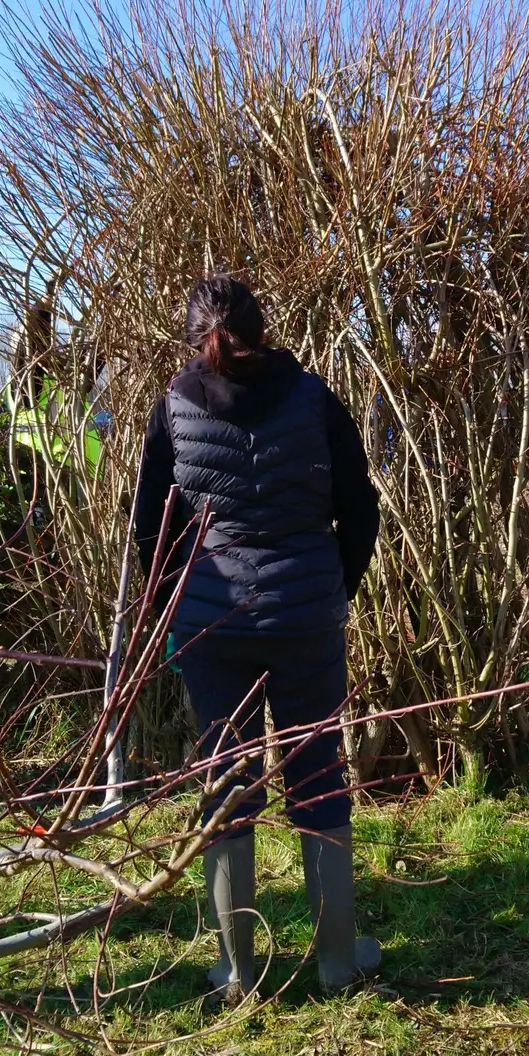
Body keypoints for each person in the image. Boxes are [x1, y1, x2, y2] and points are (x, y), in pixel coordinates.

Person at [135, 274, 381, 1003]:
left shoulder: (173, 407)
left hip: (213, 625)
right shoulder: (314, 398)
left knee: (227, 780)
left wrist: (169, 609)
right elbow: (359, 505)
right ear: (264, 328)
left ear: (193, 339)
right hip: (306, 617)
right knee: (317, 773)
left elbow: (151, 529)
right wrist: (334, 587)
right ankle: (338, 962)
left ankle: (235, 972)